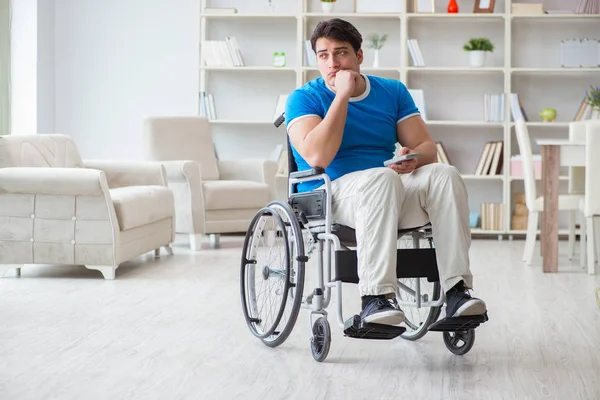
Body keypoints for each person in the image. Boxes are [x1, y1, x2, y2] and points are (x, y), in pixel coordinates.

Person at [284, 18, 487, 326]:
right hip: (332, 196)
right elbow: (318, 157)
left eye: (341, 53)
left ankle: (457, 290)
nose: (332, 63)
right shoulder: (304, 98)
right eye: (323, 55)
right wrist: (341, 96)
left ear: (359, 56)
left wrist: (413, 159)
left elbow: (426, 146)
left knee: (444, 174)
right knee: (382, 178)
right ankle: (375, 298)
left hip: (387, 189)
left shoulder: (391, 91)